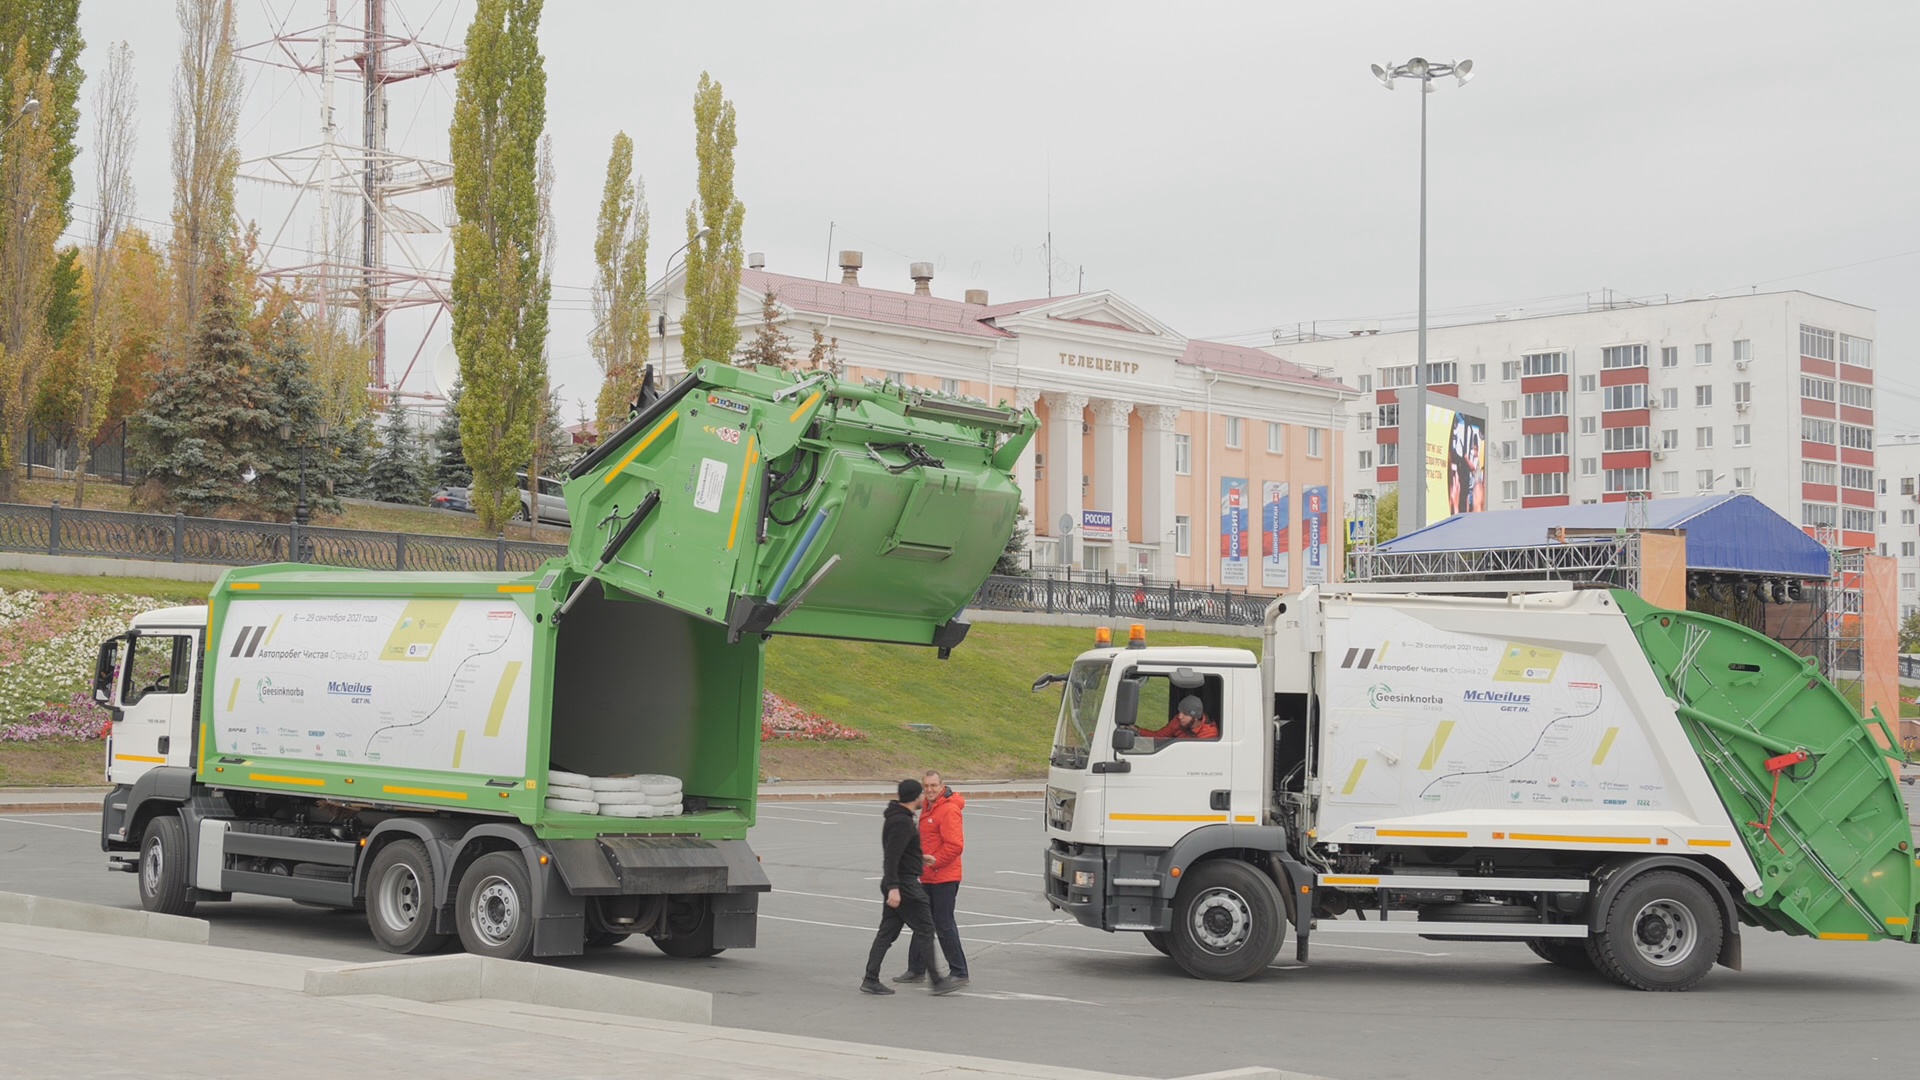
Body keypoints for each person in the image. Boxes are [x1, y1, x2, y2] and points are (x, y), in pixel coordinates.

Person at [861, 778, 958, 996]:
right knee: (925, 929)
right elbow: (892, 857)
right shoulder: (902, 823)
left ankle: (870, 978)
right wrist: (894, 887)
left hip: (899, 881)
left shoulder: (897, 818)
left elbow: (900, 852)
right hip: (904, 885)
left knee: (887, 932)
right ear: (915, 797)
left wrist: (918, 858)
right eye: (922, 793)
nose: (925, 796)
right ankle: (937, 981)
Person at [897, 770, 968, 987]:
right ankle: (916, 968)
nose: (929, 790)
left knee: (944, 924)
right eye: (926, 786)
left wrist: (935, 861)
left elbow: (955, 846)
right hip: (928, 876)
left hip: (945, 876)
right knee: (922, 922)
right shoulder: (928, 808)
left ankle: (959, 971)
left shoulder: (948, 810)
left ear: (942, 786)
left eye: (933, 786)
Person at [1138, 695, 1219, 740]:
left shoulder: (1209, 733)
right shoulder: (1178, 720)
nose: (1180, 716)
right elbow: (1160, 736)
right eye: (1179, 712)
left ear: (1195, 717)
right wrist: (1137, 730)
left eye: (1185, 714)